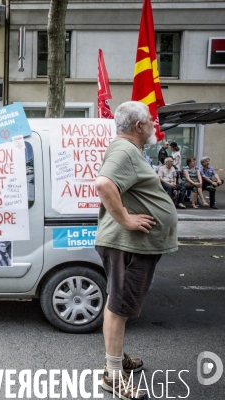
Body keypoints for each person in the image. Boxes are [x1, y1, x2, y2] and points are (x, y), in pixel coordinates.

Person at [95, 101, 177, 400]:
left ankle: (113, 359)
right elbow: (104, 184)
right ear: (138, 126)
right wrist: (126, 219)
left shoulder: (129, 151)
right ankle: (113, 375)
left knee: (117, 304)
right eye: (151, 121)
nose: (155, 126)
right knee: (119, 307)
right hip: (127, 244)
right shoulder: (124, 150)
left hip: (129, 245)